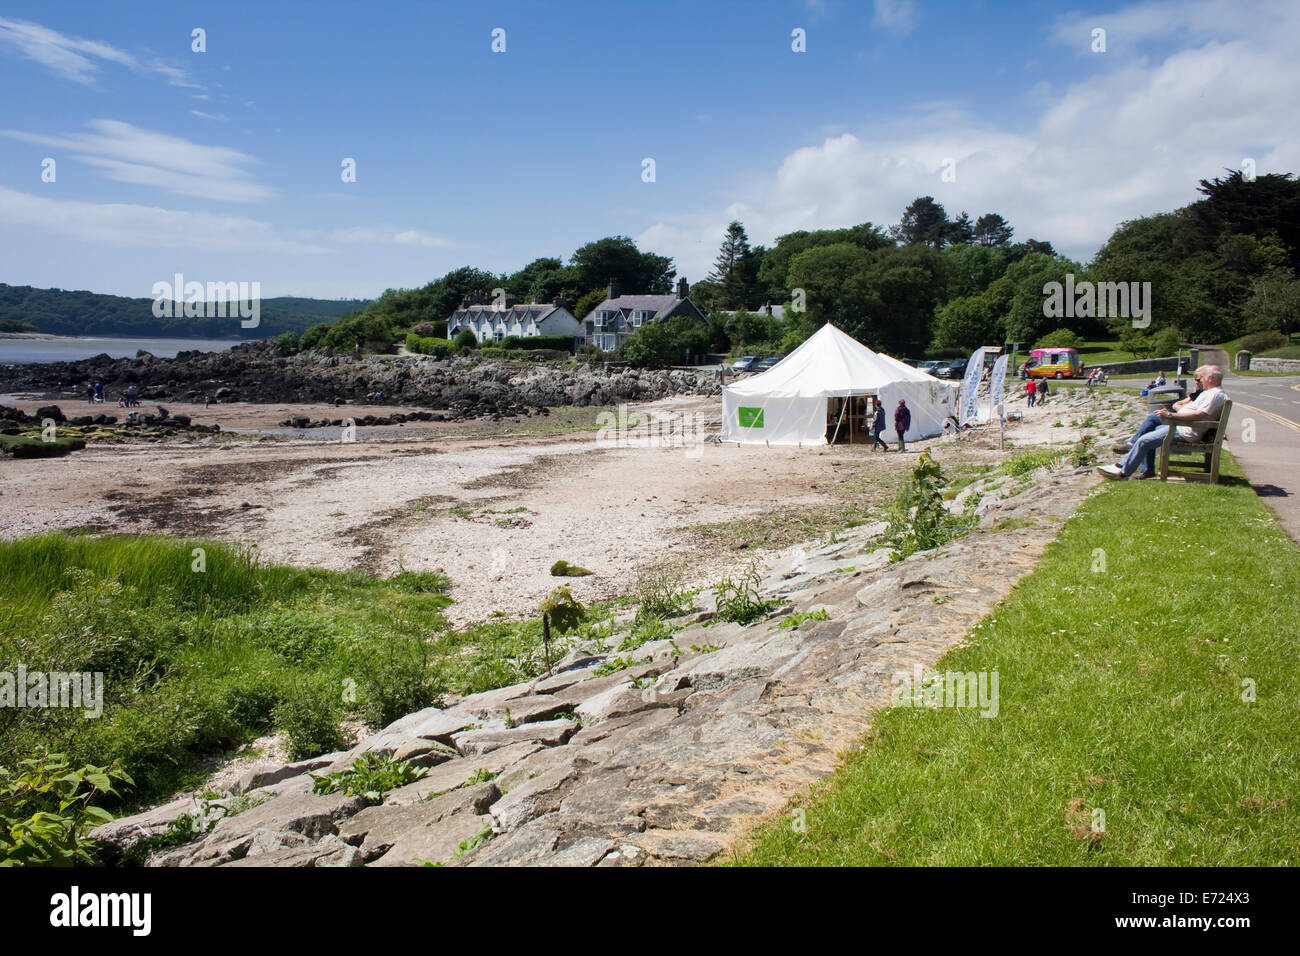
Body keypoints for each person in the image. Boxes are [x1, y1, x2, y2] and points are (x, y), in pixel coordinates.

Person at [1098, 365, 1227, 480]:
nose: (1200, 381)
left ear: (1210, 378)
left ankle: (1122, 472)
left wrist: (1170, 415)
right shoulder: (1211, 393)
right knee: (1151, 426)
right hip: (1180, 426)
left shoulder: (1214, 395)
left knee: (1144, 441)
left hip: (1184, 431)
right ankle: (1138, 465)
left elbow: (1199, 415)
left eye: (1202, 378)